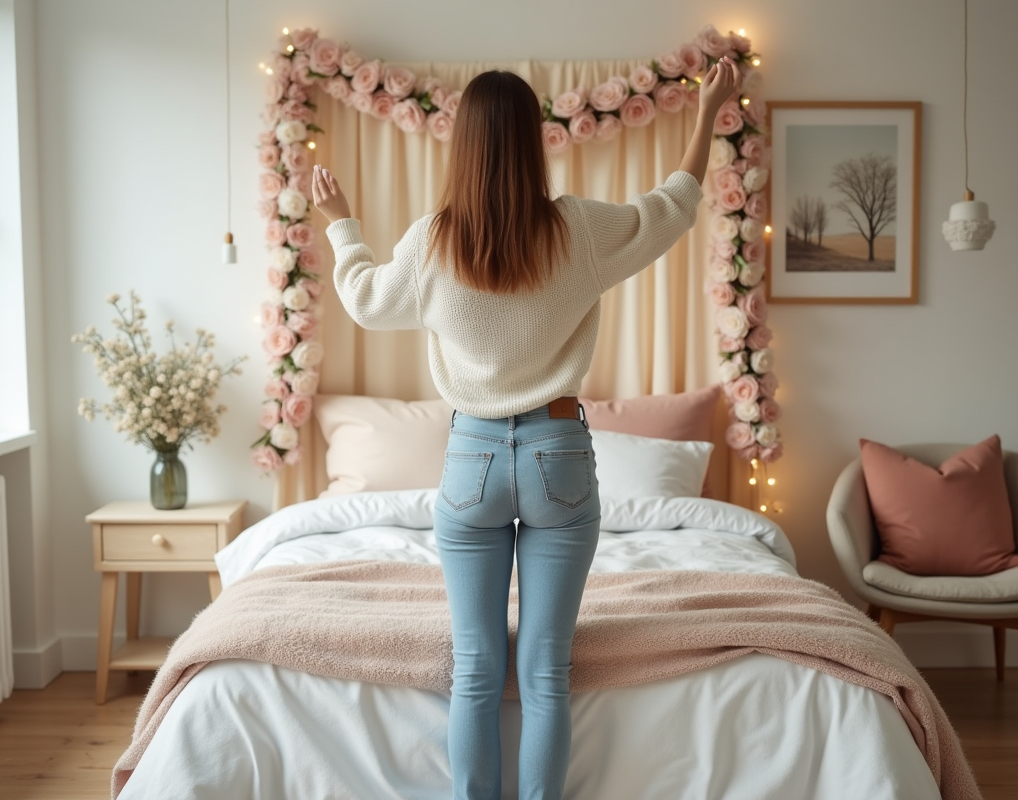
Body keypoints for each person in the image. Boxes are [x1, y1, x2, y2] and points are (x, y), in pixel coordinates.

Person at [311, 57, 740, 800]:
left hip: (472, 457)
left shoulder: (432, 241)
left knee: (476, 668)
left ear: (463, 147)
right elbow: (672, 207)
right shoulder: (578, 229)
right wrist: (705, 115)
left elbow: (366, 301)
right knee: (546, 671)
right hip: (557, 453)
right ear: (533, 142)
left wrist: (343, 225)